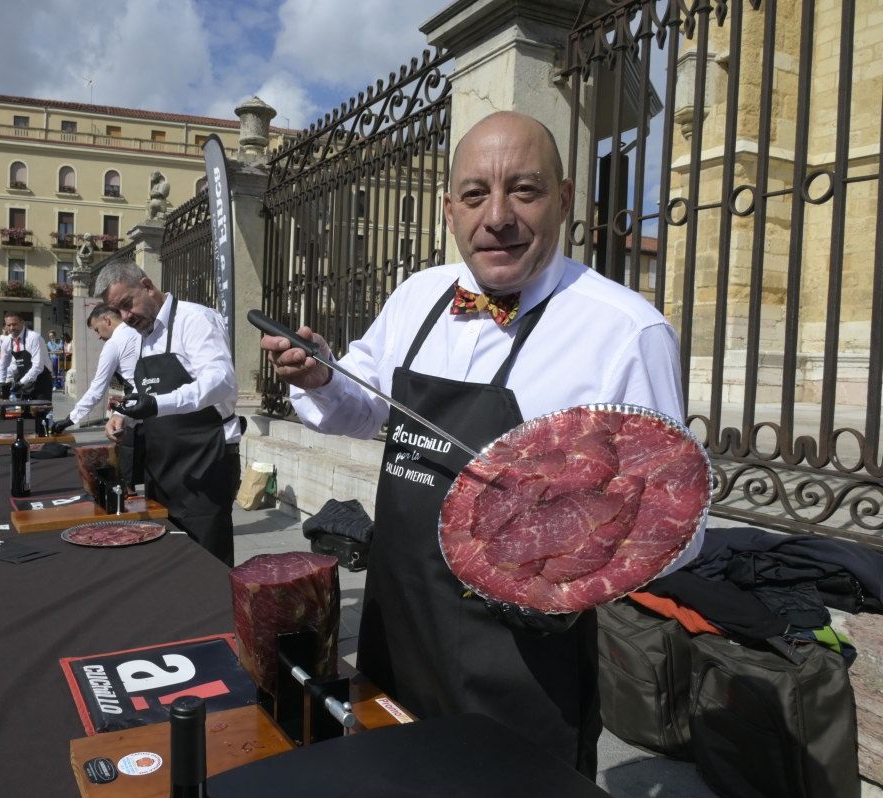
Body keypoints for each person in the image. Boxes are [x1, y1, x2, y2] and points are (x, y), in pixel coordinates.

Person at [261, 111, 697, 779]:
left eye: (524, 190)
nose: (497, 216)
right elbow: (357, 410)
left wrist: (566, 535)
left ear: (565, 198)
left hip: (519, 663)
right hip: (396, 621)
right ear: (449, 210)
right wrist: (320, 376)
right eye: (475, 194)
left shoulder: (625, 333)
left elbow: (676, 531)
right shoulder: (417, 297)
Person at [94, 262, 240, 566]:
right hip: (161, 466)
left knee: (207, 560)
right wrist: (125, 415)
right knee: (170, 559)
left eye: (126, 304)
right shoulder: (141, 334)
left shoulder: (195, 319)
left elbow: (220, 381)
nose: (125, 317)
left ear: (147, 286)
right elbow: (146, 391)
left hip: (204, 462)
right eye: (116, 311)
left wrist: (159, 405)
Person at [52, 305, 144, 489]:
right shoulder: (140, 332)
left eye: (96, 330)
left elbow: (97, 388)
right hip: (158, 408)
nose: (98, 336)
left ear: (107, 321)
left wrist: (71, 418)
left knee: (127, 473)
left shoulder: (114, 343)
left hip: (137, 412)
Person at [0, 311, 53, 407]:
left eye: (14, 324)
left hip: (41, 380)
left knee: (42, 415)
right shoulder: (7, 340)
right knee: (23, 415)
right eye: (8, 325)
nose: (11, 328)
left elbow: (38, 366)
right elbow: (3, 364)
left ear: (22, 323)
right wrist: (1, 383)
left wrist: (20, 383)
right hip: (23, 380)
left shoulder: (34, 337)